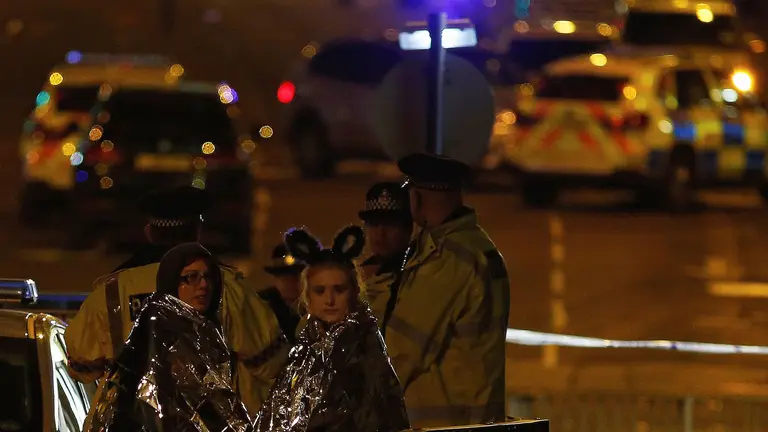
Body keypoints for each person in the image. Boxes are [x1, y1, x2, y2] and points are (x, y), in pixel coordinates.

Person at [65, 185, 288, 418]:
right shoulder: (224, 285)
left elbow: (81, 365)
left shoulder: (112, 291)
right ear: (197, 231)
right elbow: (270, 361)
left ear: (149, 232)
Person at [383, 152, 511, 428]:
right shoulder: (478, 247)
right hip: (473, 420)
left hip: (444, 424)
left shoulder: (447, 260)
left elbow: (400, 353)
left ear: (416, 198)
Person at [255, 226, 410, 432]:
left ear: (354, 291)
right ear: (308, 296)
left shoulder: (365, 348)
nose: (329, 300)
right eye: (320, 291)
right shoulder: (304, 349)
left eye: (339, 289)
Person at [86, 243, 253, 431]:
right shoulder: (158, 330)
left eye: (208, 277)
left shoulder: (207, 331)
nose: (204, 285)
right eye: (192, 277)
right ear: (172, 280)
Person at [357, 181, 413, 328]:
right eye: (374, 223)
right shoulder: (359, 275)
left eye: (390, 224)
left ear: (409, 228)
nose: (380, 233)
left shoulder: (418, 277)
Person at [259, 243, 304, 344]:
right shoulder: (261, 308)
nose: (290, 284)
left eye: (295, 279)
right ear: (275, 280)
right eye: (285, 279)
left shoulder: (316, 307)